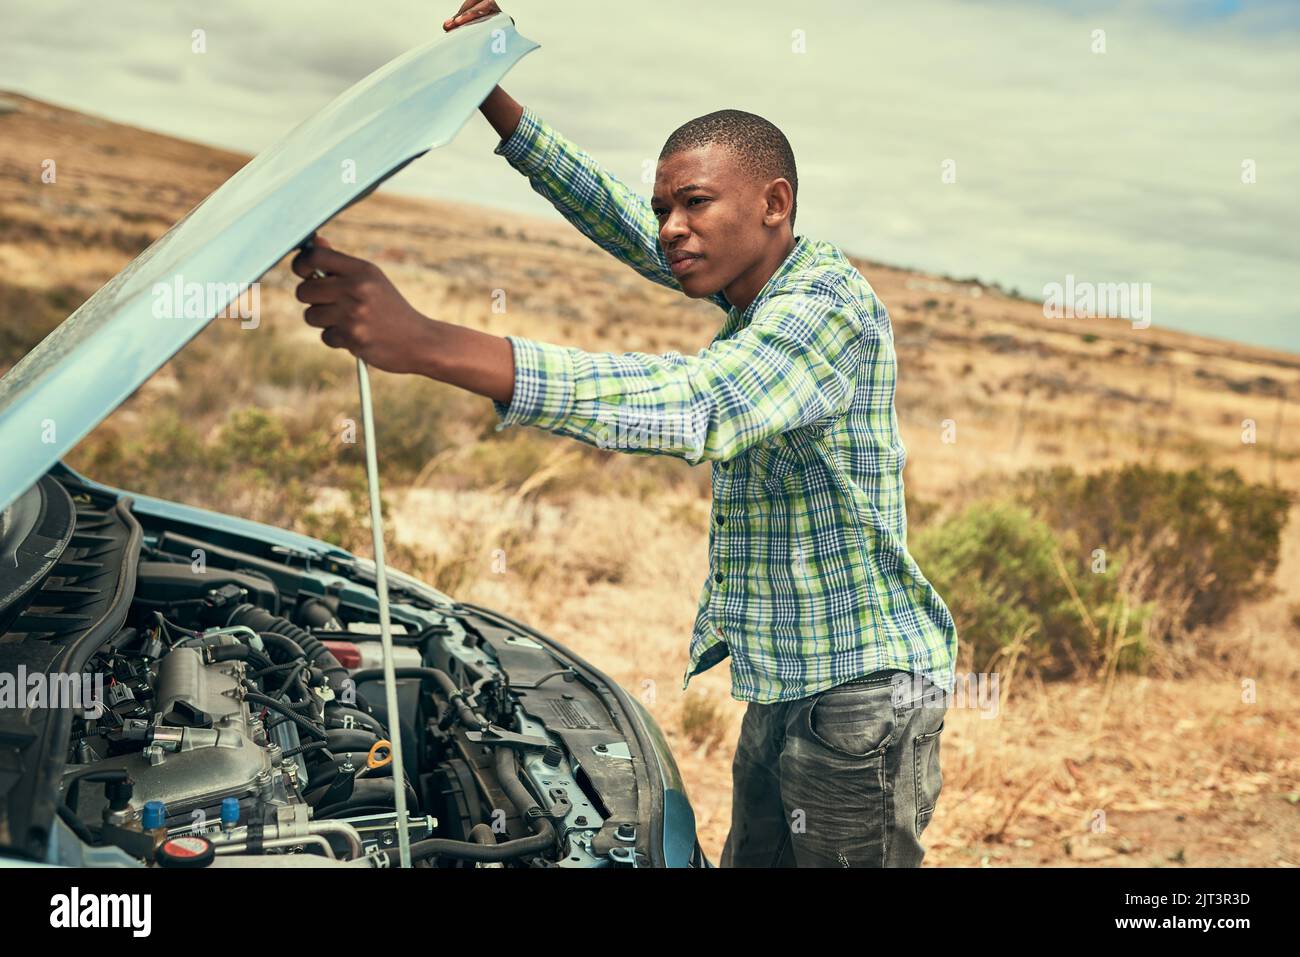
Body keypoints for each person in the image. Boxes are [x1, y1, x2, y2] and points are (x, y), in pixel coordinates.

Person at [292, 0, 958, 867]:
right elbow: (616, 216)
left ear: (774, 203)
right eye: (663, 208)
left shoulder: (821, 304)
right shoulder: (750, 281)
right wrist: (493, 100)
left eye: (693, 203)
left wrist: (428, 344)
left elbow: (700, 406)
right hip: (792, 676)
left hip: (862, 693)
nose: (671, 228)